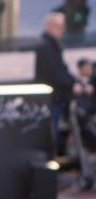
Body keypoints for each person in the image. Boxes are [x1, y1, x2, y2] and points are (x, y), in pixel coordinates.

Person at [34, 12, 82, 156]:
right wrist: (72, 84)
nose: (61, 30)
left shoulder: (52, 44)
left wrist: (75, 81)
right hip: (52, 96)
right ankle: (50, 158)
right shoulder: (46, 46)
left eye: (62, 26)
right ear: (48, 26)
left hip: (56, 95)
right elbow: (54, 72)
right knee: (51, 130)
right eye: (58, 26)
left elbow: (62, 69)